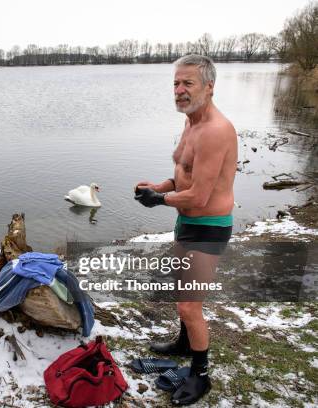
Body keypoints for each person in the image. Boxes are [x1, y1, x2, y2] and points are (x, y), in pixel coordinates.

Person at [134, 54, 237, 405]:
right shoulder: (191, 122)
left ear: (209, 87)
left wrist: (157, 202)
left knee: (190, 306)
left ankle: (201, 374)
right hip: (188, 221)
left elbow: (200, 194)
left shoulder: (215, 130)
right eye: (176, 83)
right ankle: (182, 343)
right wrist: (161, 187)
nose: (179, 90)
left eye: (187, 83)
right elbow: (184, 176)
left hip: (208, 226)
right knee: (182, 293)